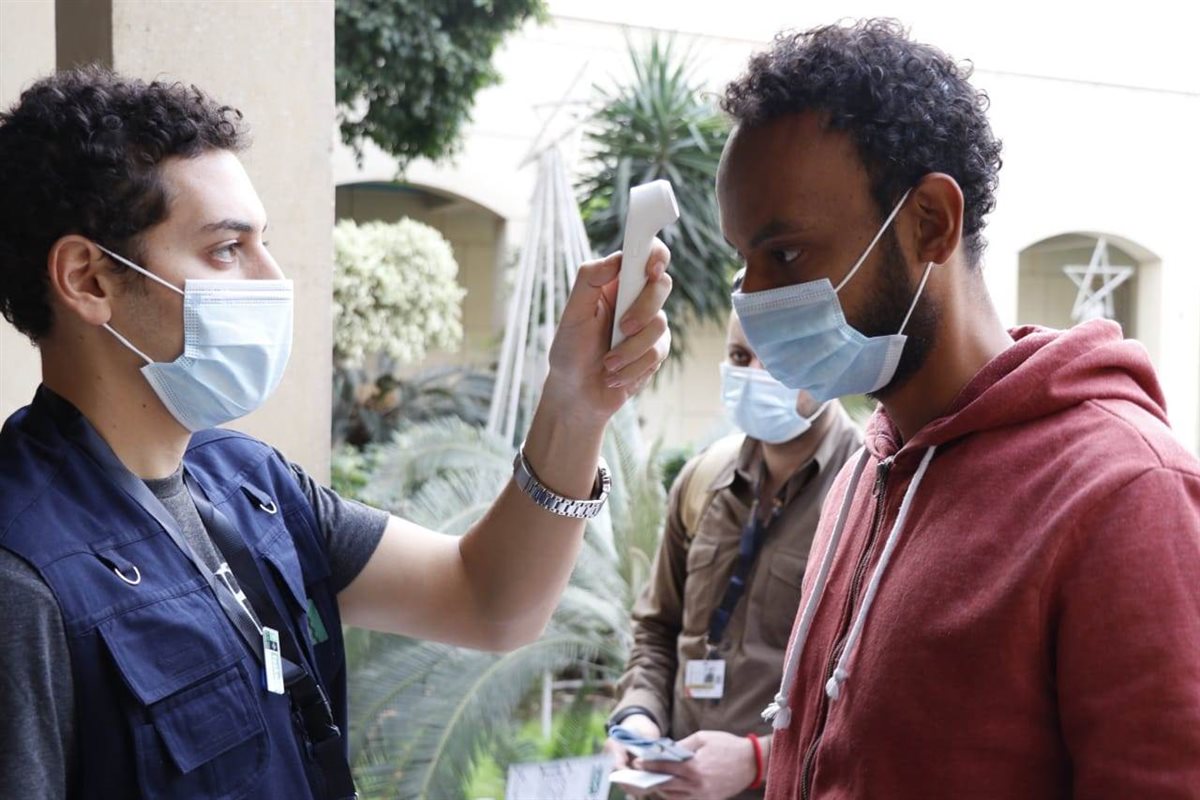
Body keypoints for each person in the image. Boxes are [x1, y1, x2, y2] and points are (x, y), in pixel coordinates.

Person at [0, 66, 672, 799]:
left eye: (263, 243)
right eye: (226, 249)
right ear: (88, 279)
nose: (271, 278)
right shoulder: (22, 576)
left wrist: (576, 406)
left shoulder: (252, 485)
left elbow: (491, 601)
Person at [716, 18, 1200, 798]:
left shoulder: (1126, 495)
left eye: (786, 253)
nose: (753, 298)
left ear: (931, 223)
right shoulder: (866, 473)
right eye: (743, 260)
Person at [605, 271, 861, 799]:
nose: (756, 376)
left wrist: (758, 759)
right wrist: (639, 715)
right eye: (741, 357)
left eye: (779, 357)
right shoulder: (702, 481)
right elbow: (658, 628)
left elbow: (878, 696)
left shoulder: (870, 496)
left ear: (830, 358)